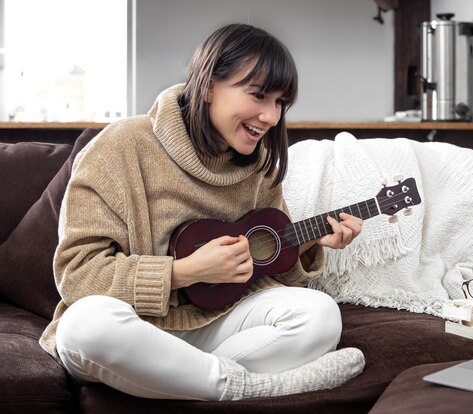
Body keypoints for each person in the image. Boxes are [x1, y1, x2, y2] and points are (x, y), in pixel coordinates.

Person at [39, 23, 365, 401]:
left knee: (320, 316)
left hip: (212, 325)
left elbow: (270, 278)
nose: (271, 117)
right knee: (84, 327)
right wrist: (185, 272)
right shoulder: (120, 147)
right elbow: (78, 275)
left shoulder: (260, 169)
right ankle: (248, 385)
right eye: (259, 95)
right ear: (209, 85)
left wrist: (309, 245)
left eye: (279, 103)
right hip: (130, 328)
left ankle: (179, 378)